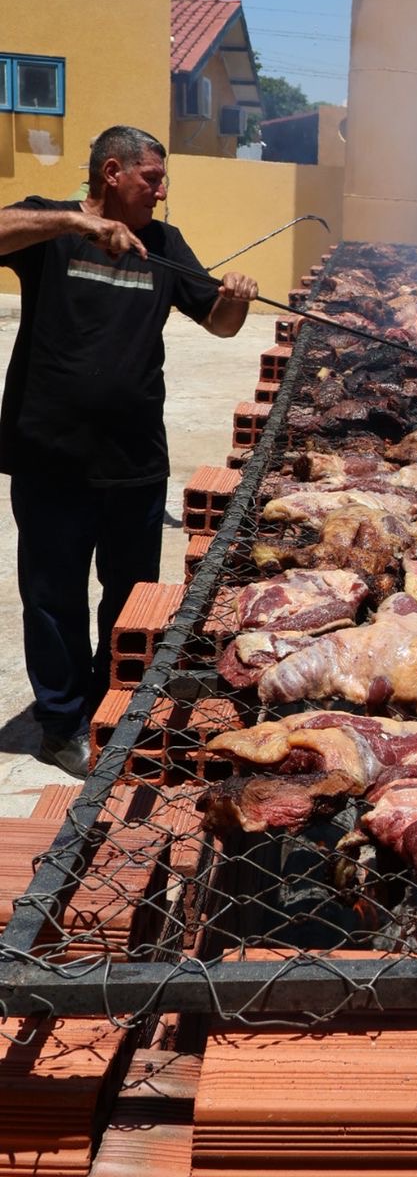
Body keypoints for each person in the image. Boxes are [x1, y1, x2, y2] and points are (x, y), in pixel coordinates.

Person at [0, 125, 257, 777]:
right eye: (152, 179)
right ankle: (61, 723)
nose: (162, 192)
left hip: (134, 461)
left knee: (130, 598)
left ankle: (112, 710)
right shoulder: (50, 232)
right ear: (110, 173)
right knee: (54, 599)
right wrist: (73, 223)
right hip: (50, 457)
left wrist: (233, 301)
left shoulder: (164, 246)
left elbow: (220, 325)